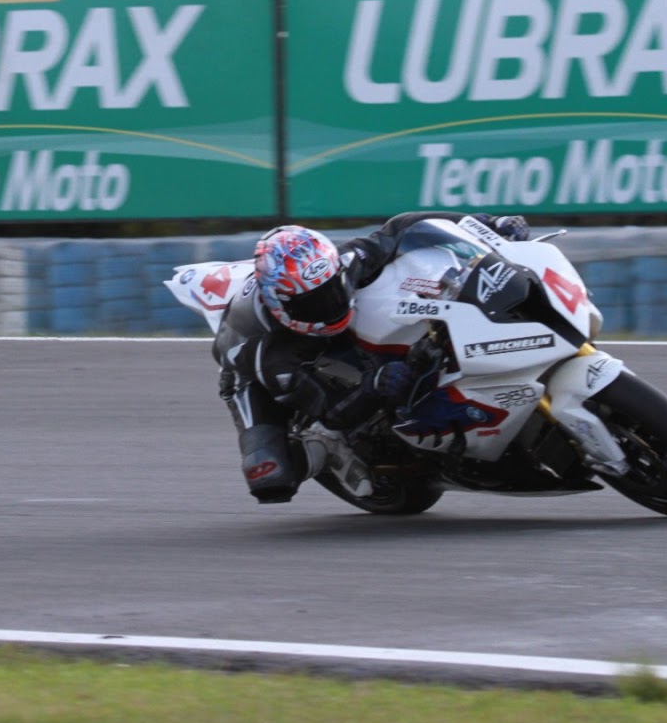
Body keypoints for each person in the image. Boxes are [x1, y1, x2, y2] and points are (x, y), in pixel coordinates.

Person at [212, 211, 532, 504]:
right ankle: (326, 451)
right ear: (280, 305)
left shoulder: (347, 261)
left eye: (332, 290)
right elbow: (332, 411)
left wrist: (486, 223)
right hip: (249, 373)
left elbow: (405, 226)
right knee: (272, 476)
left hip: (320, 335)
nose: (328, 306)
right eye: (312, 303)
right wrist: (373, 386)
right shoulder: (274, 358)